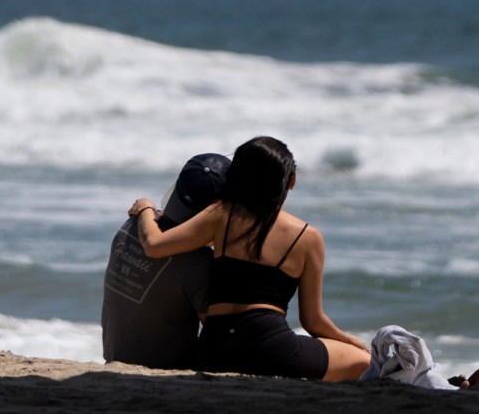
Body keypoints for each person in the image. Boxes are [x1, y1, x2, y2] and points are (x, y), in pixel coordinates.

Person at [127, 135, 371, 382]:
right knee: (366, 362)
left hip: (214, 351)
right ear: (292, 181)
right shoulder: (308, 237)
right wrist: (349, 340)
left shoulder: (222, 214)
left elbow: (154, 245)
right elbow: (313, 322)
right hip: (270, 349)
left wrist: (146, 208)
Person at [101, 152, 229, 368]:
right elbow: (217, 335)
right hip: (166, 368)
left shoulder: (131, 226)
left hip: (114, 357)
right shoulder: (198, 262)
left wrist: (146, 209)